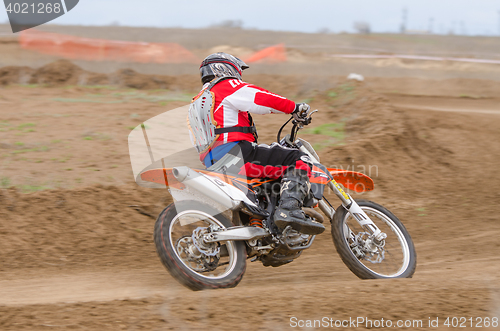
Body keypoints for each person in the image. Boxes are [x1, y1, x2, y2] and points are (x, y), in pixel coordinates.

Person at [188, 52, 325, 235]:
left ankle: (260, 222)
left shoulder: (197, 102)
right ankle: (289, 210)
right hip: (236, 153)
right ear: (225, 68)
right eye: (238, 71)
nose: (240, 76)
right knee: (298, 158)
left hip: (213, 162)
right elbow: (259, 98)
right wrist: (294, 108)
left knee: (263, 181)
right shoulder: (225, 86)